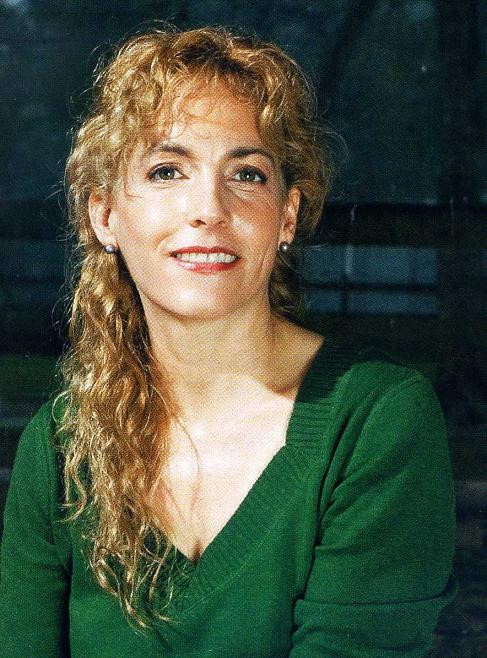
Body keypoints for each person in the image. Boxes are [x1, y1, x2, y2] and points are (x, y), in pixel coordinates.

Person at [0, 26, 456, 657]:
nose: (209, 209)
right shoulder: (61, 446)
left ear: (286, 215)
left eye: (246, 173)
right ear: (105, 217)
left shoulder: (376, 419)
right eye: (167, 171)